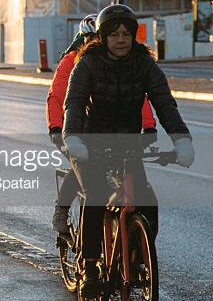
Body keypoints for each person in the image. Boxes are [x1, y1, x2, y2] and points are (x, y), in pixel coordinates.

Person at [63, 4, 194, 296]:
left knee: (146, 201)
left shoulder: (143, 63)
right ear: (103, 37)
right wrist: (72, 138)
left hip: (127, 144)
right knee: (96, 195)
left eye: (126, 34)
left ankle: (135, 258)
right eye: (114, 34)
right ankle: (90, 266)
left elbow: (164, 103)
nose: (121, 40)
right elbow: (74, 103)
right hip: (89, 144)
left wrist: (181, 140)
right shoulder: (87, 64)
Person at [46, 14, 157, 234]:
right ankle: (62, 210)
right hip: (75, 128)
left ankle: (137, 243)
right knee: (85, 171)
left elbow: (137, 98)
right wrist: (56, 129)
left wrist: (149, 126)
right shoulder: (72, 62)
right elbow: (57, 97)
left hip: (106, 128)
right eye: (92, 39)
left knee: (140, 191)